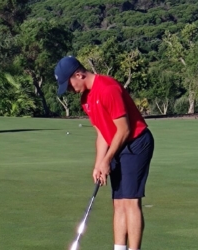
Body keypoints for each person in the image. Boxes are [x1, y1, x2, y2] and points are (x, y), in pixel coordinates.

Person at [54, 56, 154, 250]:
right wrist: (99, 163)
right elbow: (102, 132)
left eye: (69, 85)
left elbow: (124, 129)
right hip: (117, 144)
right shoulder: (86, 98)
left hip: (136, 143)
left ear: (79, 74)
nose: (69, 90)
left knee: (130, 201)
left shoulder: (108, 88)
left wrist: (107, 159)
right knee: (118, 203)